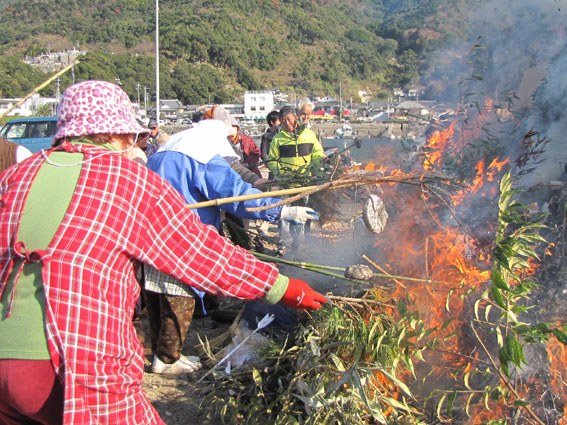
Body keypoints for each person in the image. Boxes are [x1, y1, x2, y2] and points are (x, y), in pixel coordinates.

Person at [0, 80, 326, 425]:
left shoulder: (17, 176)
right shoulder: (125, 178)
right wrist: (282, 287)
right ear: (117, 134)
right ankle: (167, 356)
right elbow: (202, 253)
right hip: (75, 362)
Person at [144, 105, 320, 375]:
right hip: (184, 235)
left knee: (156, 290)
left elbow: (235, 176)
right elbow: (237, 195)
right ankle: (168, 360)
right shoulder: (203, 155)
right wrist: (282, 210)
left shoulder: (169, 149)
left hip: (152, 231)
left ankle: (161, 352)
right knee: (178, 294)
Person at [267, 105, 326, 180]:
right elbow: (272, 161)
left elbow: (317, 153)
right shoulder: (277, 139)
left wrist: (322, 161)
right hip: (286, 182)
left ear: (296, 117)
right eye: (283, 120)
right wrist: (282, 172)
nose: (287, 123)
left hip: (307, 180)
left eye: (289, 119)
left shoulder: (309, 135)